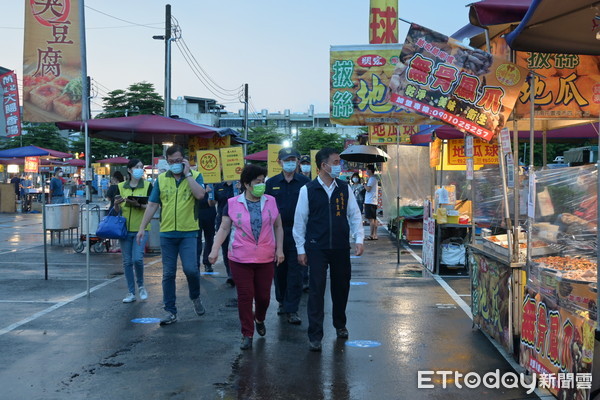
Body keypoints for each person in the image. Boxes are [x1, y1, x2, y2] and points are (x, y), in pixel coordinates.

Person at [293, 147, 364, 352]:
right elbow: (300, 221)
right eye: (335, 162)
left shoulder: (344, 187)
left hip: (340, 246)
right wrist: (300, 249)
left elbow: (354, 215)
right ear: (323, 165)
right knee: (316, 290)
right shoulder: (308, 189)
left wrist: (359, 238)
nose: (338, 166)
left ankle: (340, 323)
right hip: (316, 247)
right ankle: (315, 335)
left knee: (341, 287)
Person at [208, 164, 284, 350]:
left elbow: (278, 226)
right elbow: (224, 228)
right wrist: (214, 249)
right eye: (257, 182)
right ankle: (247, 333)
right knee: (245, 296)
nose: (261, 185)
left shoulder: (271, 201)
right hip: (240, 257)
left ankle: (260, 318)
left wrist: (279, 249)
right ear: (246, 184)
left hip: (265, 257)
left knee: (264, 297)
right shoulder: (233, 203)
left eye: (263, 181)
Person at [136, 145, 206, 326]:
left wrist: (188, 174)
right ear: (167, 161)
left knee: (191, 269)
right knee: (168, 273)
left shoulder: (196, 176)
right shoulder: (161, 179)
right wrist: (142, 227)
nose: (175, 164)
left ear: (184, 160)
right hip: (167, 233)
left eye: (179, 160)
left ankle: (195, 296)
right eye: (172, 161)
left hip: (189, 232)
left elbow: (200, 195)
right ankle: (170, 311)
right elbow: (152, 205)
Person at [265, 147, 310, 325]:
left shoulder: (305, 182)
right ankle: (282, 301)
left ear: (298, 161)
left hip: (298, 231)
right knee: (279, 270)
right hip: (276, 231)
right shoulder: (271, 183)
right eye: (287, 159)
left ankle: (292, 308)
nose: (290, 163)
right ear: (279, 162)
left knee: (296, 272)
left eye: (293, 159)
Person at [114, 159, 153, 303]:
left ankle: (141, 285)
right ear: (129, 170)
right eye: (137, 167)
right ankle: (131, 292)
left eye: (141, 167)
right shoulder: (120, 186)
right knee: (127, 261)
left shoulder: (148, 185)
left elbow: (152, 206)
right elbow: (117, 209)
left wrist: (137, 205)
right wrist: (116, 204)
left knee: (137, 259)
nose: (140, 169)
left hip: (141, 229)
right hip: (124, 229)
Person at [214, 180, 238, 287]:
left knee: (237, 246)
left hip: (239, 220)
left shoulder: (241, 184)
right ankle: (230, 274)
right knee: (225, 248)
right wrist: (209, 193)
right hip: (223, 220)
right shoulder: (218, 185)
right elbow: (212, 203)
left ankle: (238, 273)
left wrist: (241, 189)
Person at [196, 184, 217, 272]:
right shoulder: (195, 180)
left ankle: (207, 263)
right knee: (197, 240)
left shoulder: (213, 182)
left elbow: (216, 199)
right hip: (197, 211)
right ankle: (196, 263)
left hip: (209, 211)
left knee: (209, 239)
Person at [364, 165, 379, 240]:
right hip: (373, 201)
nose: (366, 171)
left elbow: (368, 189)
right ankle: (375, 234)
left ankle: (371, 235)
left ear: (370, 170)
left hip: (370, 201)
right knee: (374, 218)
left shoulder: (372, 179)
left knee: (371, 219)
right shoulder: (374, 179)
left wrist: (364, 185)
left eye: (367, 170)